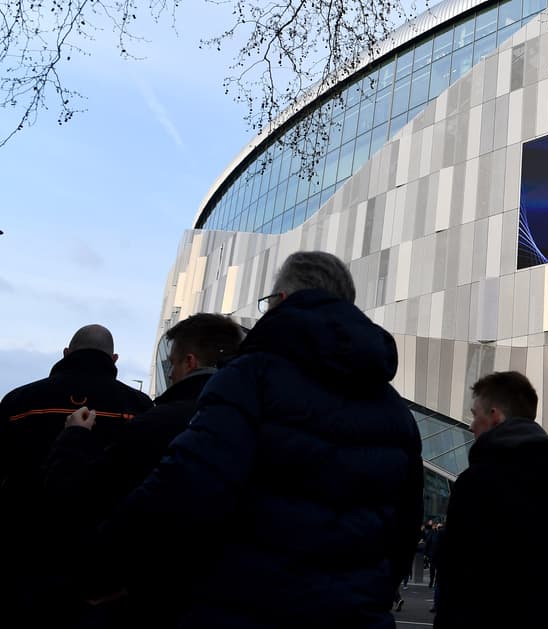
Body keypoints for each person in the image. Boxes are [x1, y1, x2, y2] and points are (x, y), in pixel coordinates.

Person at [85, 251, 424, 627]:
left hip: (248, 609)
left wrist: (105, 563)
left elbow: (187, 484)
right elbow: (405, 526)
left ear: (280, 302)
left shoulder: (250, 377)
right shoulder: (396, 412)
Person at [42, 313, 245, 627]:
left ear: (189, 362)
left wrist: (75, 436)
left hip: (142, 600)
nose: (171, 374)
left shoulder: (155, 423)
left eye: (172, 364)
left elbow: (76, 500)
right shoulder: (254, 425)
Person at [0, 323, 153, 625]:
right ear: (115, 360)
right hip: (99, 566)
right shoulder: (139, 408)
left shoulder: (18, 401)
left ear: (67, 353)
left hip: (23, 553)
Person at [433, 370, 548, 627]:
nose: (470, 425)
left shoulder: (474, 484)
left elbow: (457, 580)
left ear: (494, 416)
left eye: (474, 414)